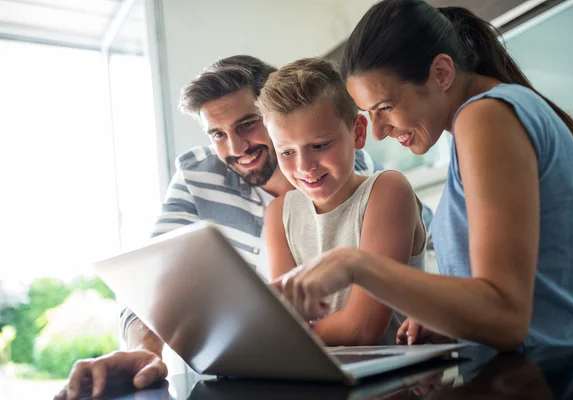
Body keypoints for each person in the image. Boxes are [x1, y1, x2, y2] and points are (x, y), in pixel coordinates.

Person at [274, 0, 573, 350]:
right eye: (371, 113)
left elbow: (506, 315)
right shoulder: (494, 115)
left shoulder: (485, 117)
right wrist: (445, 318)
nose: (380, 132)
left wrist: (354, 264)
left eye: (385, 107)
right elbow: (519, 298)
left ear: (442, 73)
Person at [55, 55, 382, 400]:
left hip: (353, 372)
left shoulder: (344, 163)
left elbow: (411, 255)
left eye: (246, 125)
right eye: (218, 134)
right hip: (255, 379)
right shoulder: (198, 176)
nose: (236, 148)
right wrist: (147, 350)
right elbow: (147, 282)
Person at [257, 58, 426, 346]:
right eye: (287, 153)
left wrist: (278, 341)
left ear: (358, 132)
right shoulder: (279, 213)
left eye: (319, 145)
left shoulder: (387, 190)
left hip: (397, 383)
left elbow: (362, 329)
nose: (305, 166)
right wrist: (282, 335)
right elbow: (287, 318)